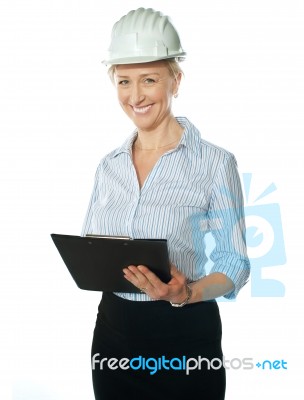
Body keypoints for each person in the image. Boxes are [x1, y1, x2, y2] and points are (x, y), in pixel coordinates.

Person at [81, 7, 250, 400]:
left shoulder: (215, 163)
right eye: (124, 81)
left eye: (149, 80)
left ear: (176, 80)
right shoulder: (108, 167)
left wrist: (184, 292)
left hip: (184, 337)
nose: (135, 96)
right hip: (113, 333)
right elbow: (96, 246)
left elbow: (234, 264)